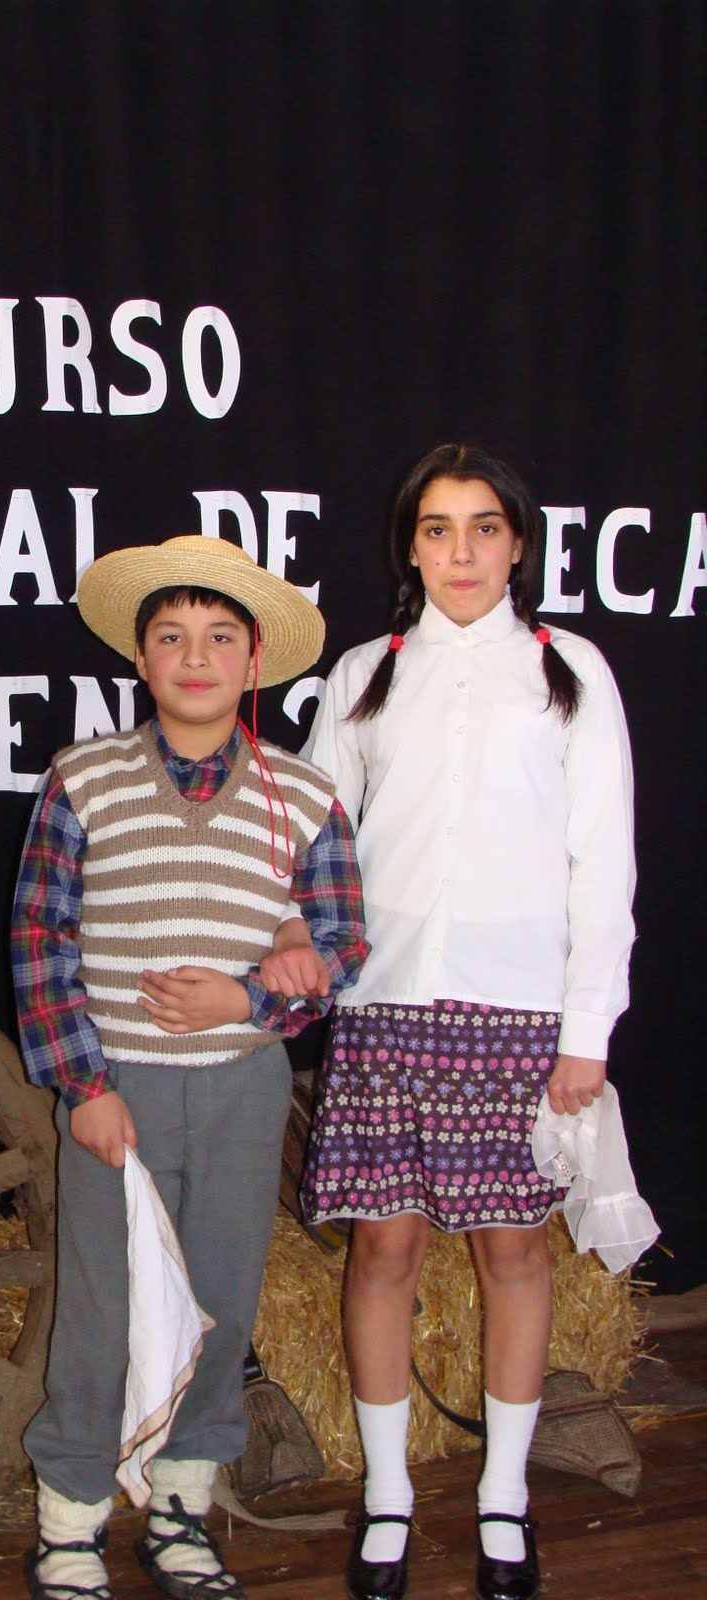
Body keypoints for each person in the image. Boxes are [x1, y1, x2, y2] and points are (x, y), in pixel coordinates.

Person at [294, 444, 635, 1600]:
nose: (461, 552)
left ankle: (503, 1495)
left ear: (518, 543)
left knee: (514, 1251)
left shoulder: (569, 673)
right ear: (411, 546)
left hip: (518, 1012)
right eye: (437, 529)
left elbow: (604, 864)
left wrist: (586, 1029)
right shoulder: (364, 675)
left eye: (484, 527)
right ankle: (389, 1496)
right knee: (382, 1249)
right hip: (384, 1005)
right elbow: (315, 841)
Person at [12, 534, 369, 1600]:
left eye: (220, 638)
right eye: (172, 637)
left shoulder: (303, 797)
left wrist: (254, 997)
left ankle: (181, 1508)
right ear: (140, 657)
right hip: (116, 1089)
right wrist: (83, 1085)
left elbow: (342, 947)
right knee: (100, 1307)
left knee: (220, 1298)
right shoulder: (83, 780)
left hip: (240, 1089)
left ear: (254, 661)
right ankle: (70, 1519)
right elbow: (41, 937)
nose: (197, 657)